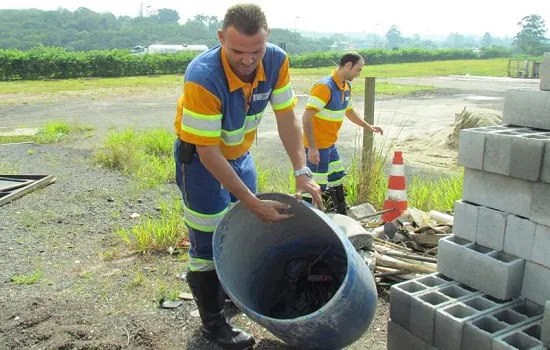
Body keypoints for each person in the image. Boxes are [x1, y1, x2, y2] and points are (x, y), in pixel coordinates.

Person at [172, 3, 323, 349]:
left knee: (243, 227)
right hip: (200, 163)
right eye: (238, 50)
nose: (247, 59)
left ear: (266, 38)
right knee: (207, 240)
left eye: (255, 50)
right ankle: (213, 326)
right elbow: (208, 152)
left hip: (239, 155)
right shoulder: (203, 77)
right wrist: (252, 202)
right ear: (221, 37)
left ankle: (227, 294)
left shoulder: (275, 60)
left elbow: (287, 116)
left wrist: (301, 171)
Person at [301, 52, 383, 215]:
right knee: (316, 185)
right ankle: (309, 218)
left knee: (337, 177)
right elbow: (306, 119)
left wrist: (368, 126)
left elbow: (349, 112)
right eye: (358, 70)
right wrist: (312, 147)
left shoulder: (346, 87)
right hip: (317, 146)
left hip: (330, 145)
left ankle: (339, 213)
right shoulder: (324, 87)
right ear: (348, 66)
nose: (359, 74)